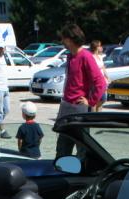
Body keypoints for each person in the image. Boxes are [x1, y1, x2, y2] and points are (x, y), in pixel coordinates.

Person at [55, 23, 106, 158]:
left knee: (82, 150)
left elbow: (100, 82)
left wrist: (90, 101)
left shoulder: (86, 56)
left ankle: (81, 171)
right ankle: (62, 169)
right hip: (66, 109)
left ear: (70, 39)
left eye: (63, 38)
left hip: (79, 110)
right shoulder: (70, 56)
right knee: (62, 149)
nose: (62, 41)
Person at [90, 40, 109, 112]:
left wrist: (107, 77)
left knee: (103, 99)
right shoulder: (91, 57)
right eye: (100, 46)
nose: (101, 47)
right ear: (96, 47)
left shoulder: (100, 57)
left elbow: (103, 67)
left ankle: (98, 113)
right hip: (95, 81)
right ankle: (93, 115)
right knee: (95, 100)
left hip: (102, 81)